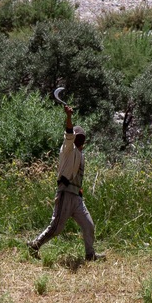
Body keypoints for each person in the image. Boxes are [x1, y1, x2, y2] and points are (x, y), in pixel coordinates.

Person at [27, 105, 104, 262]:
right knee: (56, 227)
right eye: (78, 135)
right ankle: (34, 245)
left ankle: (90, 255)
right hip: (65, 193)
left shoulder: (81, 154)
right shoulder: (68, 148)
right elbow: (69, 134)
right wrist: (68, 117)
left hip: (76, 196)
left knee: (88, 225)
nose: (79, 136)